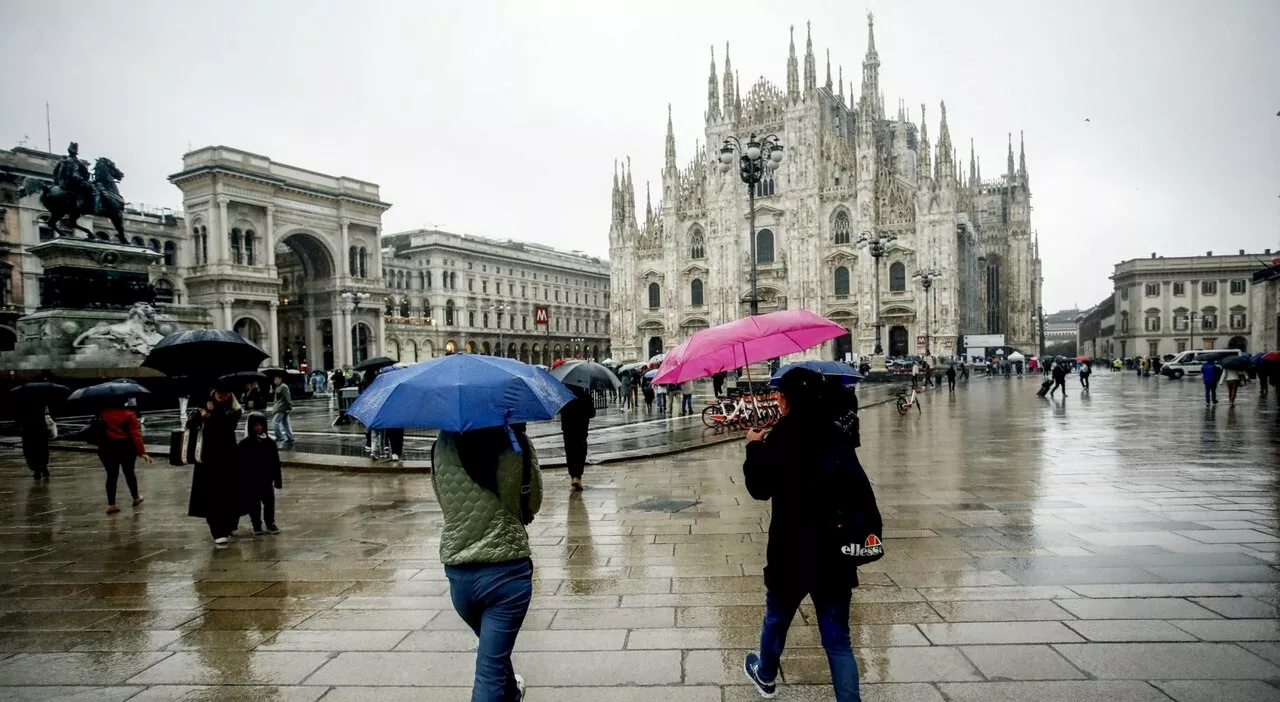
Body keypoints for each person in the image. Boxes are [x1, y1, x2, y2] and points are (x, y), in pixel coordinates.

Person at [742, 368, 874, 702]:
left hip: (791, 551)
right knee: (838, 642)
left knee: (776, 619)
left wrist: (755, 447)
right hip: (834, 551)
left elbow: (759, 489)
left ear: (783, 399)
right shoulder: (837, 435)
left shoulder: (782, 437)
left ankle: (766, 675)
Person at [432, 424, 542, 701]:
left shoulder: (441, 445)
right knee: (490, 670)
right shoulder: (517, 443)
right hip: (507, 571)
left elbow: (444, 503)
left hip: (460, 575)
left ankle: (512, 693)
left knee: (493, 652)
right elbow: (533, 503)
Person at [188, 390, 246, 546]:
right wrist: (201, 416)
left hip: (229, 458)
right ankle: (217, 531)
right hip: (208, 459)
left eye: (225, 393)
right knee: (211, 495)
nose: (221, 396)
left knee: (230, 493)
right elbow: (191, 426)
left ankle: (229, 523)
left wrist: (212, 414)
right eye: (218, 393)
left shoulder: (234, 411)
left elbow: (226, 427)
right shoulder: (203, 409)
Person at [99, 398, 150, 514]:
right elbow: (136, 435)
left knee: (111, 475)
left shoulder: (103, 414)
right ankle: (135, 498)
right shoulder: (129, 415)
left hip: (107, 447)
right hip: (126, 447)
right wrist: (142, 452)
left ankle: (111, 504)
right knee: (129, 473)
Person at [239, 412, 282, 535]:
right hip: (251, 480)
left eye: (261, 425)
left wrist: (277, 480)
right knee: (254, 504)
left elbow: (275, 463)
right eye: (255, 425)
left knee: (269, 503)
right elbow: (240, 463)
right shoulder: (244, 444)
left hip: (267, 479)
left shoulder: (270, 443)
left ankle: (270, 523)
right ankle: (256, 524)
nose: (258, 427)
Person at [560, 385, 595, 491]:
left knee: (569, 452)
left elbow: (560, 411)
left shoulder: (565, 396)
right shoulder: (585, 396)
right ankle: (577, 476)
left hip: (567, 429)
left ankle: (572, 475)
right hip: (581, 429)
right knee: (580, 451)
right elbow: (592, 413)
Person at [17, 400, 53, 480]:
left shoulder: (21, 405)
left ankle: (37, 469)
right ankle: (43, 467)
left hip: (28, 432)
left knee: (31, 451)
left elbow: (17, 419)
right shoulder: (42, 403)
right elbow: (48, 415)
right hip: (40, 430)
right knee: (42, 449)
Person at [272, 373, 295, 447]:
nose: (274, 380)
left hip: (282, 408)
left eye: (276, 379)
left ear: (280, 379)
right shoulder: (278, 387)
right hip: (281, 407)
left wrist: (288, 406)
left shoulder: (283, 387)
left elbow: (287, 398)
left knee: (275, 422)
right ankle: (290, 437)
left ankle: (279, 437)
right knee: (285, 423)